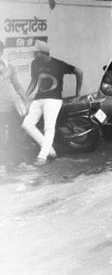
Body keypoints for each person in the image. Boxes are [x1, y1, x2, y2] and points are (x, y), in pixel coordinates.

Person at [22, 41, 83, 166]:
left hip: (53, 100)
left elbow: (79, 72)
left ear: (43, 53)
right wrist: (25, 96)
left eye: (35, 52)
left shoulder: (58, 64)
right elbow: (33, 81)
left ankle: (42, 156)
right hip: (38, 98)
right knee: (27, 124)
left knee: (48, 127)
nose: (33, 54)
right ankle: (50, 150)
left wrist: (78, 93)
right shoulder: (34, 63)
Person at [0, 40, 28, 175]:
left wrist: (25, 100)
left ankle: (18, 163)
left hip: (11, 108)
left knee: (16, 135)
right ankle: (2, 165)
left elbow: (17, 85)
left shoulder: (9, 67)